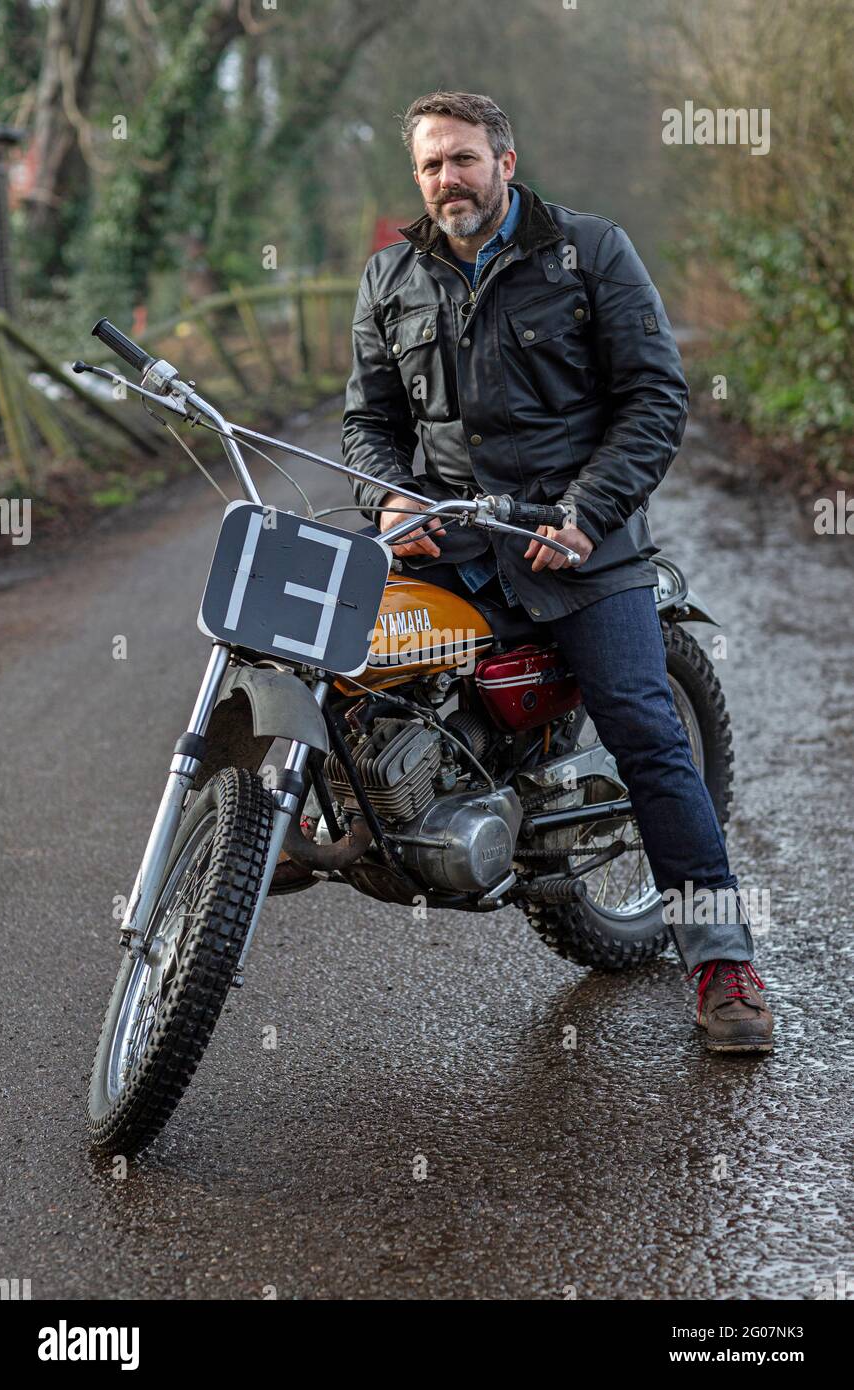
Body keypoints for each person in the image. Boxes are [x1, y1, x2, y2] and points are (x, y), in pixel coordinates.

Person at [341, 89, 772, 1052]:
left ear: (505, 158)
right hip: (453, 547)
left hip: (581, 548)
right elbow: (369, 425)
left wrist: (585, 513)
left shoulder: (590, 250)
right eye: (429, 165)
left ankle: (723, 965)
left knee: (648, 738)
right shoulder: (392, 277)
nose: (446, 179)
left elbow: (656, 397)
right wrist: (393, 501)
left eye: (461, 159)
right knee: (349, 675)